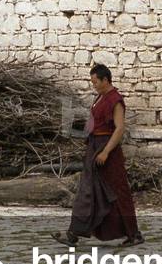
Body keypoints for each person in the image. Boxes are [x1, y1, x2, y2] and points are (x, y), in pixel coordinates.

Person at [53, 63, 144, 247]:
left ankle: (134, 234)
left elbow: (119, 129)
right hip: (95, 148)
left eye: (95, 82)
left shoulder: (115, 100)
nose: (93, 85)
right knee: (88, 191)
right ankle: (73, 234)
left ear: (105, 79)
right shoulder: (99, 98)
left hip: (108, 151)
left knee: (118, 192)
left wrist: (105, 152)